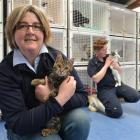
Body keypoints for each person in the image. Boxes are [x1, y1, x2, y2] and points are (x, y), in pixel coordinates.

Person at [0, 5, 90, 140]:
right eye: (22, 25)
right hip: (24, 127)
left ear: (44, 32)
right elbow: (18, 122)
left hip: (54, 116)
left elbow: (83, 96)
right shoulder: (5, 70)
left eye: (37, 26)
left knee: (80, 119)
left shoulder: (57, 58)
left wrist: (50, 97)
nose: (30, 31)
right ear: (12, 32)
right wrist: (57, 99)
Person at [87, 38, 140, 118]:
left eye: (106, 49)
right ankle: (98, 104)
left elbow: (120, 71)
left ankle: (114, 99)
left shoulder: (109, 57)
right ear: (97, 51)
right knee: (116, 112)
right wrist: (106, 65)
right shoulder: (92, 62)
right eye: (103, 50)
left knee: (135, 96)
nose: (106, 51)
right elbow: (96, 79)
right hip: (105, 89)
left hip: (117, 86)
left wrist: (116, 66)